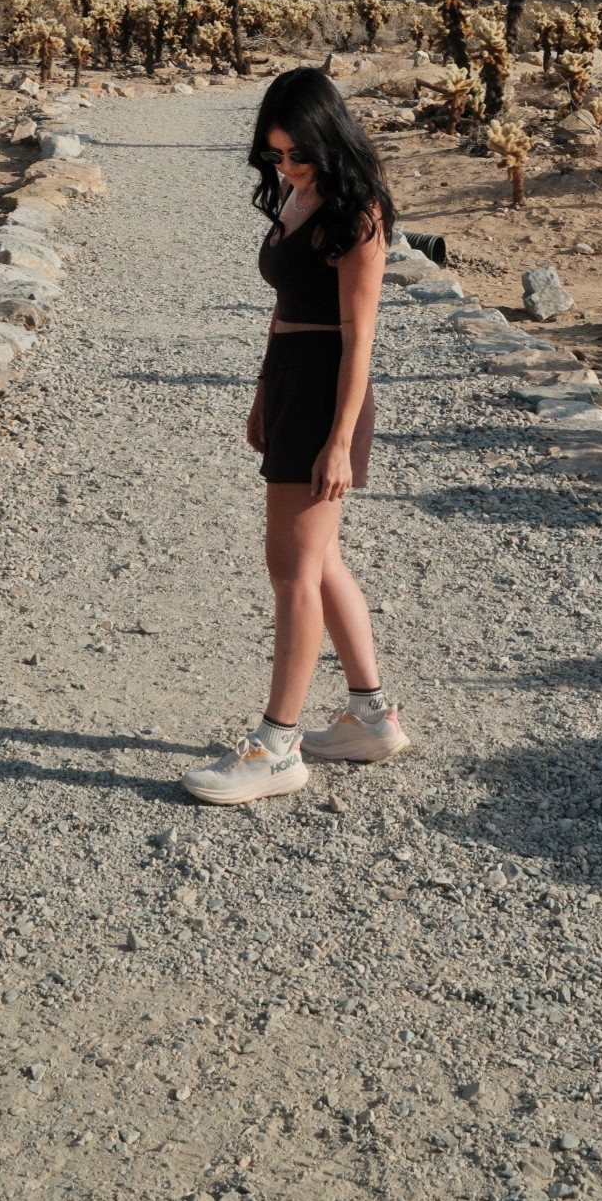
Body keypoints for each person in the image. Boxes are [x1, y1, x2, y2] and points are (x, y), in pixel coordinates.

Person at [182, 66, 410, 805]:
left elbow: (359, 340)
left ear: (327, 137)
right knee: (321, 558)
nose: (286, 167)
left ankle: (278, 747)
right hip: (288, 378)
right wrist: (259, 392)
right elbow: (287, 308)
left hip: (327, 393)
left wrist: (339, 440)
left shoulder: (359, 213)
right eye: (276, 155)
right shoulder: (295, 191)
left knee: (291, 568)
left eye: (297, 154)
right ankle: (371, 719)